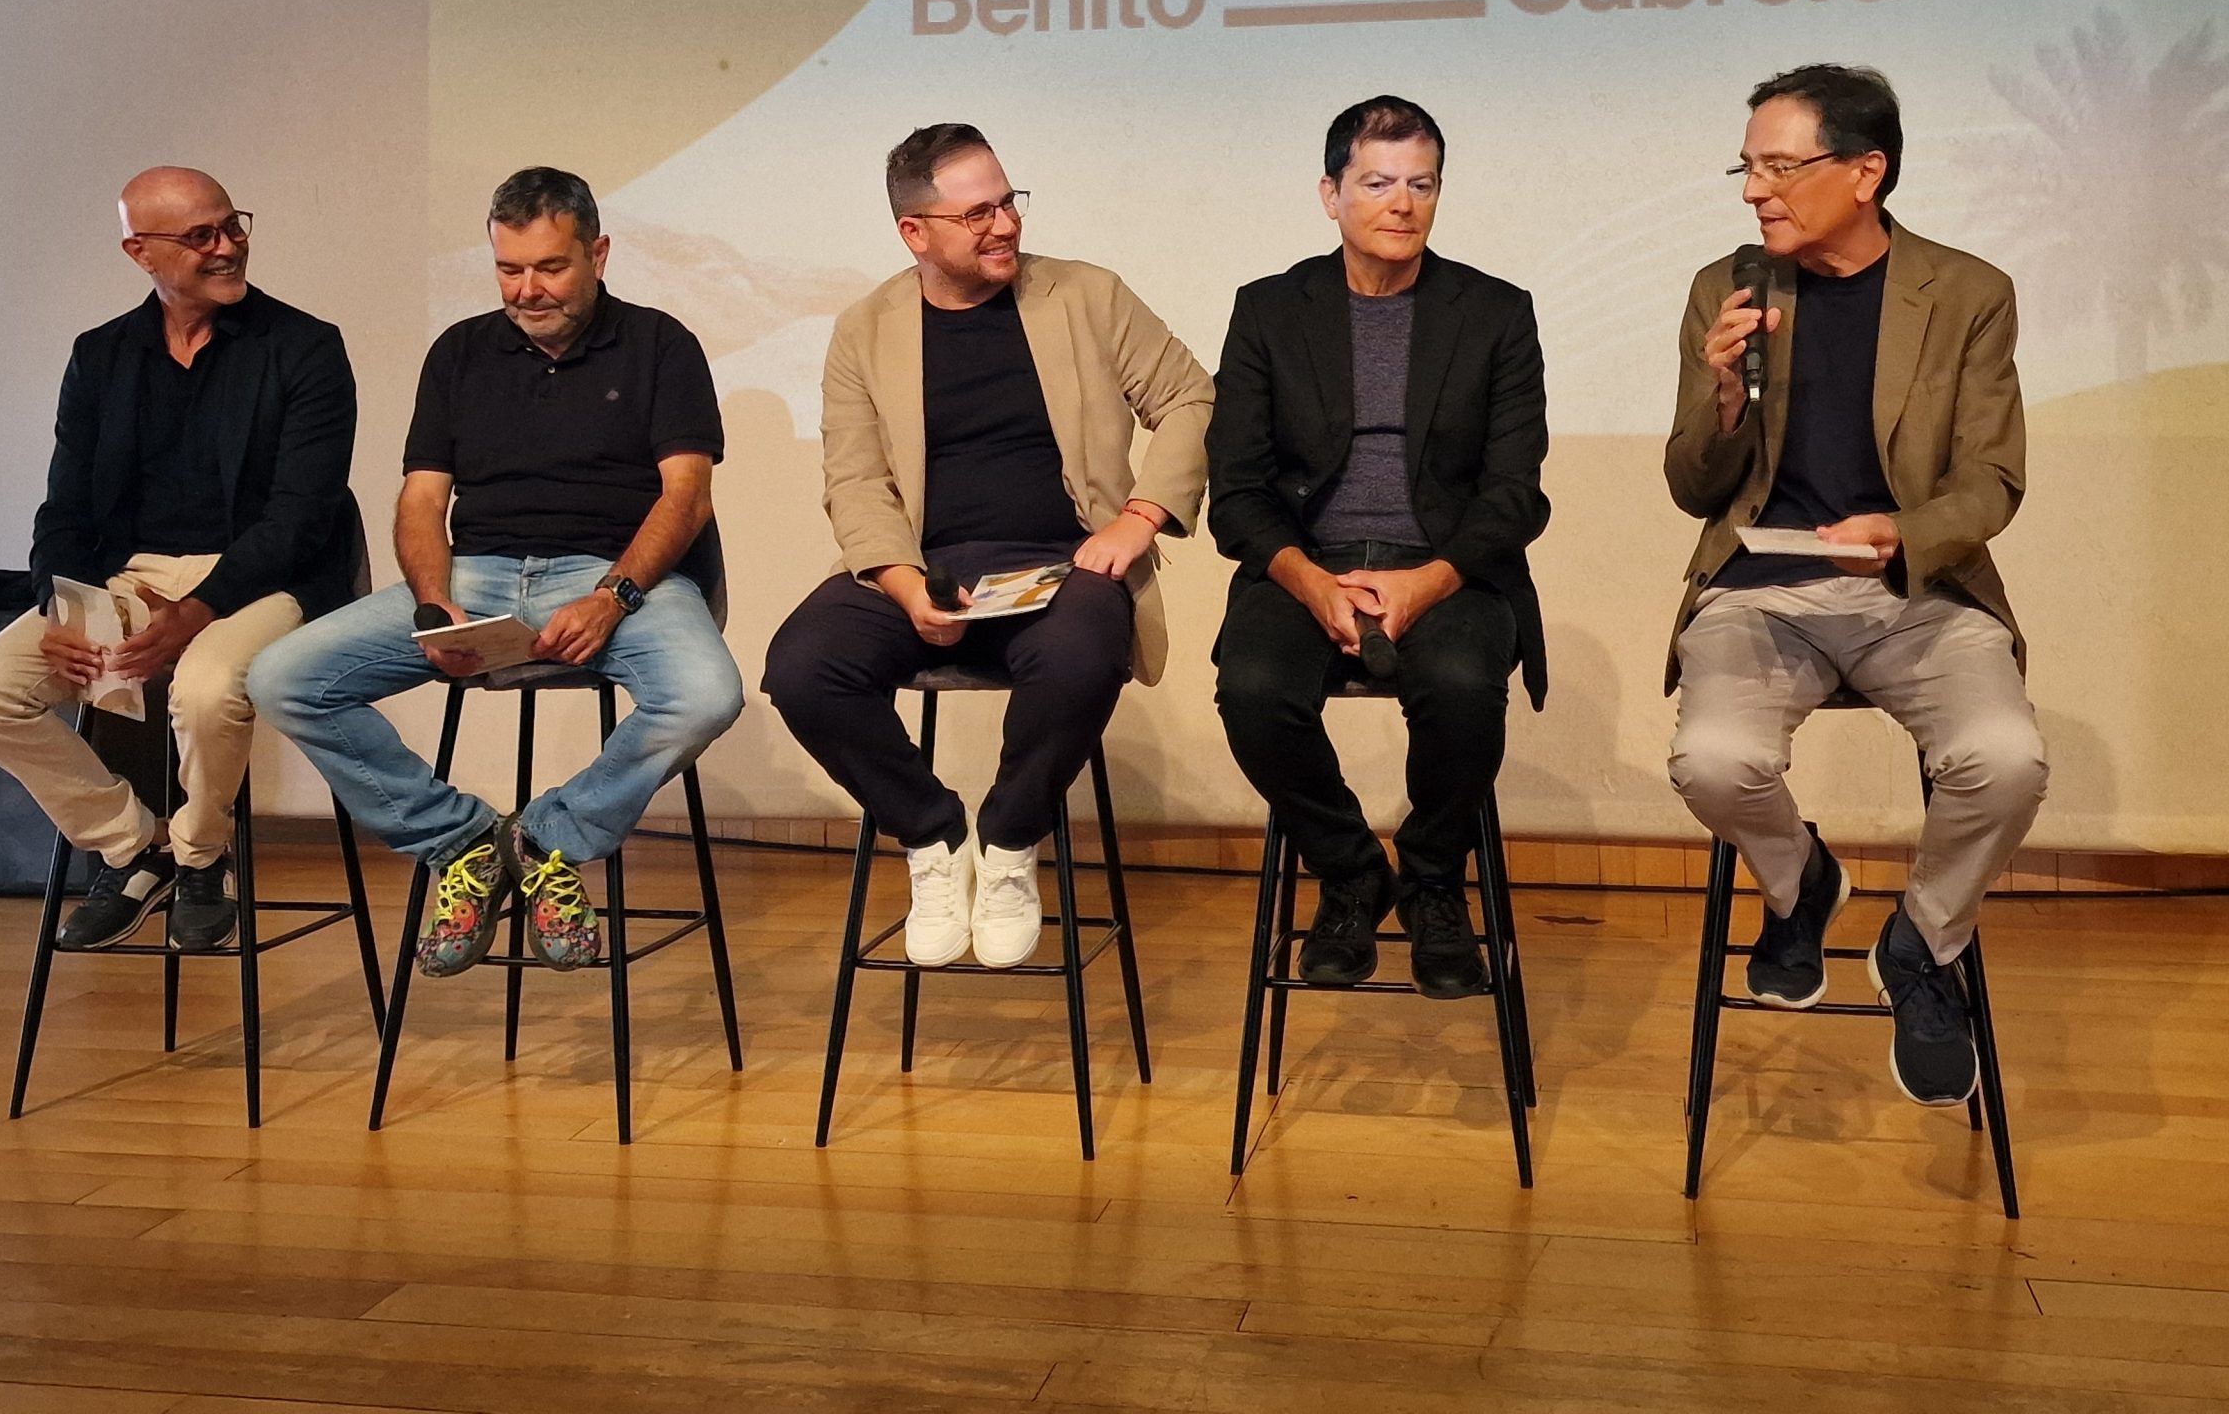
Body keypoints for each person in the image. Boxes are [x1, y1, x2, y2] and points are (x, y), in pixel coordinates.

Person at [1664, 63, 2049, 1106]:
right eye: (1747, 168)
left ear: (1865, 171)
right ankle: (1804, 882)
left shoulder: (1966, 294)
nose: (1756, 190)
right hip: (1760, 592)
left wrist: (1901, 532)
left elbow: (1992, 479)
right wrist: (1721, 396)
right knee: (1712, 762)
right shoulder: (1727, 285)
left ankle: (1921, 943)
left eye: (1780, 167)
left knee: (2005, 760)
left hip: (1918, 592)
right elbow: (1692, 486)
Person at [250, 168, 742, 977]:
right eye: (509, 269)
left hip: (615, 577)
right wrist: (433, 606)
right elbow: (421, 501)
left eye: (549, 267)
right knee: (281, 678)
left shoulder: (661, 344)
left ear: (597, 255)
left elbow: (686, 496)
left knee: (708, 695)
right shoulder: (460, 351)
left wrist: (612, 597)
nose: (527, 289)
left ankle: (549, 838)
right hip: (476, 576)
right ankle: (464, 841)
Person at [763, 124, 1212, 968]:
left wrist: (1139, 517)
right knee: (802, 665)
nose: (1005, 225)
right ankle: (932, 838)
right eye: (977, 214)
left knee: (1082, 653)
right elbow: (855, 481)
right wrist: (905, 586)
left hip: (1065, 559)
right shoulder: (865, 328)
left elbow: (1190, 396)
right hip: (926, 565)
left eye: (1009, 202)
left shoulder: (1087, 294)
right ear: (915, 232)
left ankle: (1007, 843)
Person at [0, 169, 358, 953]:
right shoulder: (101, 355)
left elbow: (300, 519)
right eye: (201, 235)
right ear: (141, 253)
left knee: (203, 692)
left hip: (263, 577)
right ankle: (135, 847)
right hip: (132, 577)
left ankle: (203, 857)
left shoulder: (304, 347)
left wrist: (197, 611)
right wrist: (66, 608)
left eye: (232, 224)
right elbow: (64, 508)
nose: (228, 246)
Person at [1207, 97, 1549, 999]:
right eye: (1377, 183)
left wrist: (1427, 583)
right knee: (1252, 689)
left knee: (1463, 685)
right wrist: (1311, 582)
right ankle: (1352, 871)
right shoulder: (1269, 310)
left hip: (1446, 564)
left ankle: (1434, 881)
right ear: (1331, 195)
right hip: (1306, 562)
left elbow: (1514, 494)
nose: (1402, 203)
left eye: (1421, 185)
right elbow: (1236, 492)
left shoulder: (1495, 313)